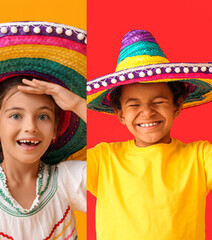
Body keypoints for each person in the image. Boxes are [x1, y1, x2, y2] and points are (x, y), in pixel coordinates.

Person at [0, 22, 88, 239]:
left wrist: (77, 104)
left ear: (56, 127)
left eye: (43, 116)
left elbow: (124, 168)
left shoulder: (69, 179)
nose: (30, 127)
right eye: (16, 115)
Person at [85, 29, 212, 239]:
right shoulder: (103, 159)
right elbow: (53, 163)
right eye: (134, 105)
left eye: (159, 101)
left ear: (177, 105)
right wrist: (73, 103)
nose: (147, 112)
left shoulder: (200, 156)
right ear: (120, 113)